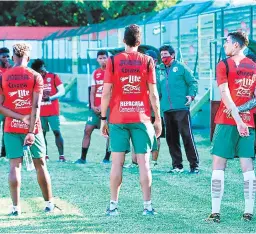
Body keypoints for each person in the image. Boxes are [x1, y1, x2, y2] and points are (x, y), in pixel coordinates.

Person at [101, 24, 162, 216]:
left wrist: (103, 118)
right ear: (139, 41)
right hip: (141, 118)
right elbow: (154, 94)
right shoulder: (147, 60)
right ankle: (147, 206)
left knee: (116, 163)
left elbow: (105, 93)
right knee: (144, 163)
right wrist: (157, 119)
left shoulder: (113, 61)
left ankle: (113, 206)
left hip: (118, 118)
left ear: (123, 40)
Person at [206, 32, 256, 223]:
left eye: (227, 42)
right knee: (247, 167)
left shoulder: (223, 64)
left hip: (227, 121)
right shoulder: (254, 67)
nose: (225, 45)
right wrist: (243, 117)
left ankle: (216, 213)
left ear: (236, 45)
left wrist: (237, 118)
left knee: (219, 165)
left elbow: (225, 95)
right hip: (248, 122)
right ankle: (248, 212)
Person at [0, 43, 55, 216]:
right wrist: (31, 131)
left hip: (11, 127)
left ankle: (16, 208)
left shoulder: (4, 76)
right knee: (41, 165)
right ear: (28, 58)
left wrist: (19, 118)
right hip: (34, 129)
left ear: (13, 57)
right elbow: (36, 107)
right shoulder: (35, 76)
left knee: (14, 166)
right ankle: (49, 204)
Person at [158, 45, 199, 174]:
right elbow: (158, 89)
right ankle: (177, 166)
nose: (164, 57)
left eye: (166, 54)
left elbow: (193, 82)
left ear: (173, 54)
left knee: (186, 136)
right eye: (162, 55)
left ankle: (194, 165)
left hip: (181, 107)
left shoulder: (181, 67)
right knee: (171, 138)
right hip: (166, 109)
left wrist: (191, 95)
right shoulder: (159, 70)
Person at [127, 49, 165, 169]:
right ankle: (134, 162)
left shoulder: (159, 73)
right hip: (140, 109)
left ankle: (153, 161)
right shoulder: (138, 71)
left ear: (154, 60)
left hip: (154, 110)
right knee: (136, 134)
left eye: (149, 59)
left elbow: (161, 92)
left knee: (155, 135)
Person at [75, 50, 111, 164]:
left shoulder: (113, 72)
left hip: (109, 107)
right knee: (87, 130)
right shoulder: (96, 73)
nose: (102, 60)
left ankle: (106, 158)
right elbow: (92, 91)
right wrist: (93, 106)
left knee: (110, 132)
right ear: (97, 60)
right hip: (95, 108)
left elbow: (112, 91)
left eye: (104, 57)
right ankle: (83, 158)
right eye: (100, 58)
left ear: (108, 58)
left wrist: (102, 105)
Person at [31, 59, 65, 162]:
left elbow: (62, 91)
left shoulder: (54, 76)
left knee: (57, 132)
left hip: (53, 111)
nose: (42, 73)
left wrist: (51, 98)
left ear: (44, 66)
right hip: (40, 112)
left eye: (42, 70)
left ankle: (61, 156)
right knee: (42, 134)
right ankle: (45, 155)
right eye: (39, 72)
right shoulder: (34, 79)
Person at [0, 47, 11, 158]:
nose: (7, 58)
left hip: (7, 106)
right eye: (4, 56)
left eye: (8, 56)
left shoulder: (12, 69)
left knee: (6, 130)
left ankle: (3, 152)